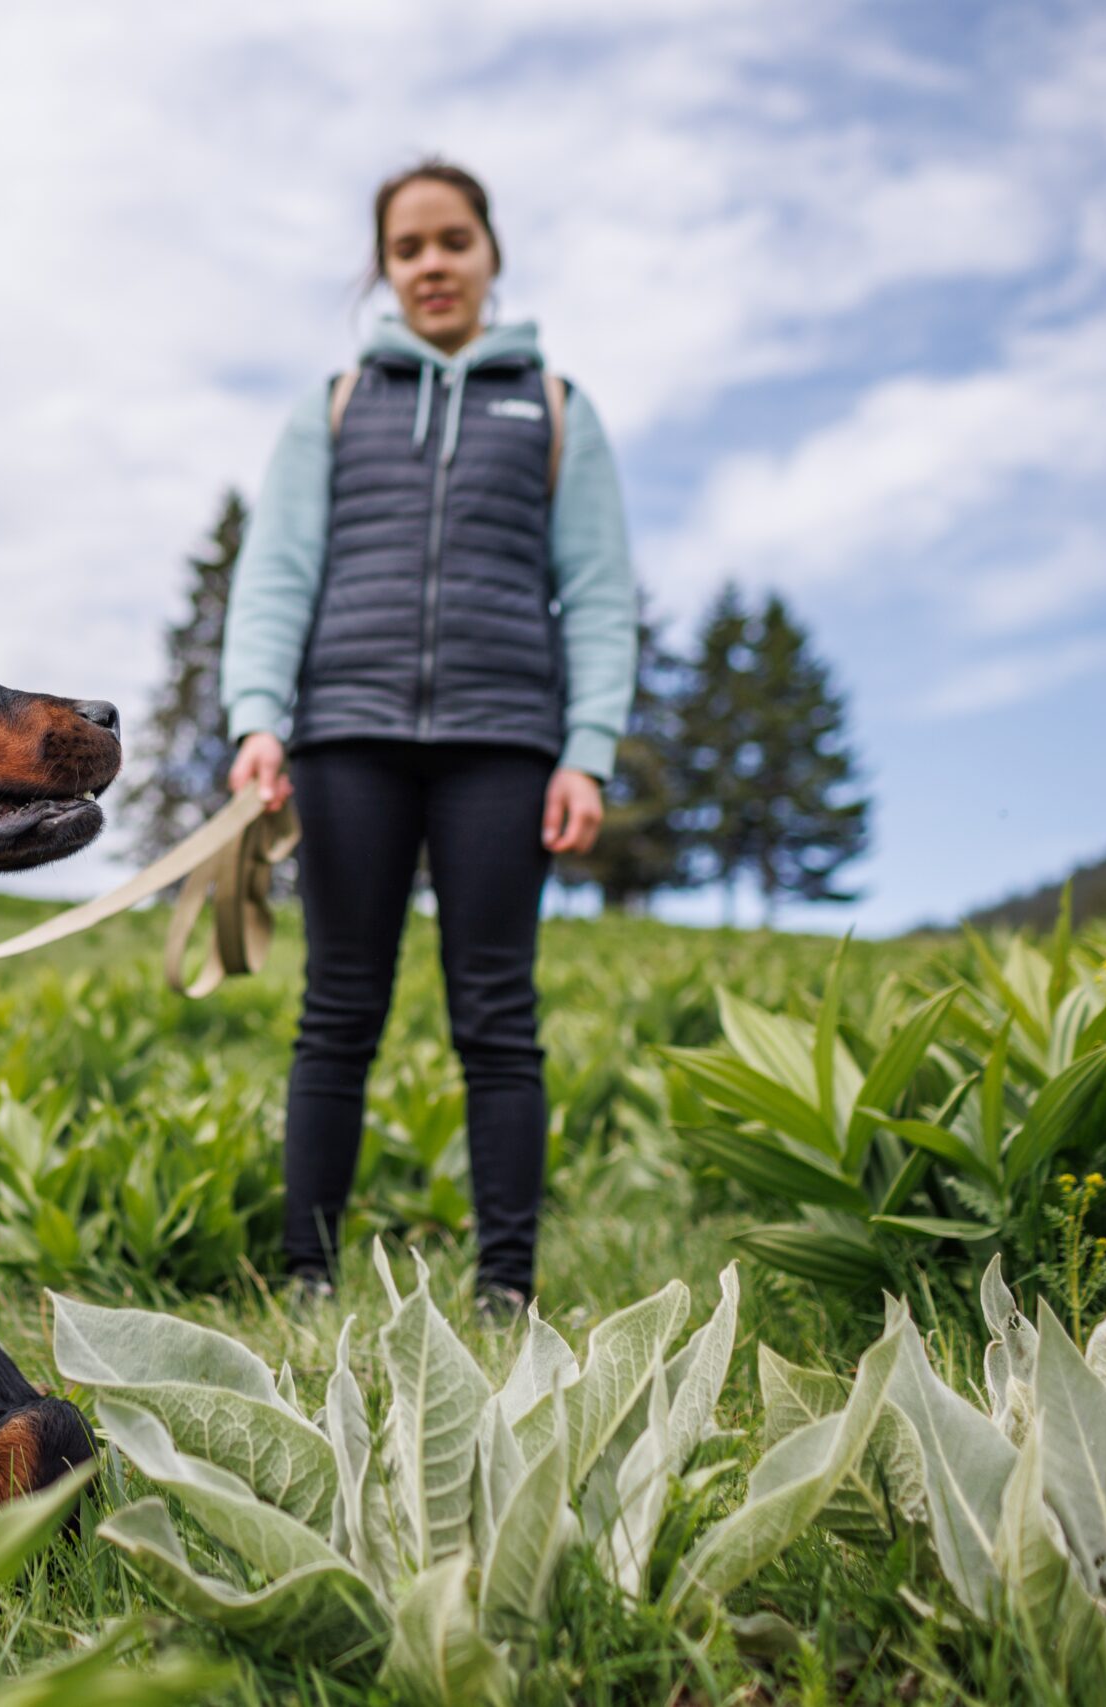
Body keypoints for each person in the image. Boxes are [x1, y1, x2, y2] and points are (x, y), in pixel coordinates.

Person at [218, 160, 636, 1318]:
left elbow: (599, 591)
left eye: (453, 240)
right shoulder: (337, 403)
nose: (432, 264)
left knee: (497, 1018)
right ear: (383, 269)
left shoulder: (554, 407)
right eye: (407, 248)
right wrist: (257, 719)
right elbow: (277, 572)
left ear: (491, 253)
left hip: (504, 742)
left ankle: (505, 1287)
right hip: (345, 735)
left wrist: (587, 748)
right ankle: (307, 1278)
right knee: (336, 1011)